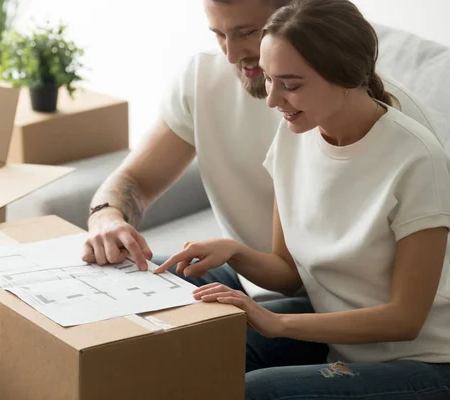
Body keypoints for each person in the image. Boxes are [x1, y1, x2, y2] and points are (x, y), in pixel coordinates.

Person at [152, 0, 450, 398]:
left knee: (258, 392)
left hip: (426, 360)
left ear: (345, 77)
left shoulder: (417, 159)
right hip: (338, 334)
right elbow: (288, 272)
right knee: (203, 342)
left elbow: (406, 320)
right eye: (270, 79)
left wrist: (280, 325)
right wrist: (234, 252)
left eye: (290, 85)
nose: (273, 100)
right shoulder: (295, 136)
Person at [82, 0, 440, 302]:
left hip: (341, 307)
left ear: (293, 16)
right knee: (113, 288)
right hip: (250, 278)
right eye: (219, 35)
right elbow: (135, 179)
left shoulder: (371, 115)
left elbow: (402, 304)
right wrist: (107, 217)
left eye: (247, 32)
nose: (232, 54)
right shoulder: (204, 78)